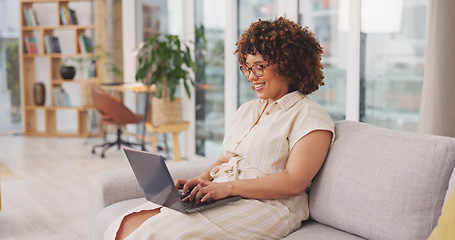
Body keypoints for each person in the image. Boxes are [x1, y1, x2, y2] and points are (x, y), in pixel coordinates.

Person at [105, 17, 334, 240]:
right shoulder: (248, 110)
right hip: (226, 192)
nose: (252, 77)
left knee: (157, 234)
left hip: (270, 205)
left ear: (288, 65)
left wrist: (228, 189)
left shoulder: (309, 116)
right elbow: (225, 159)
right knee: (126, 225)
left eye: (260, 67)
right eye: (247, 68)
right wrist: (201, 179)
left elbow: (294, 183)